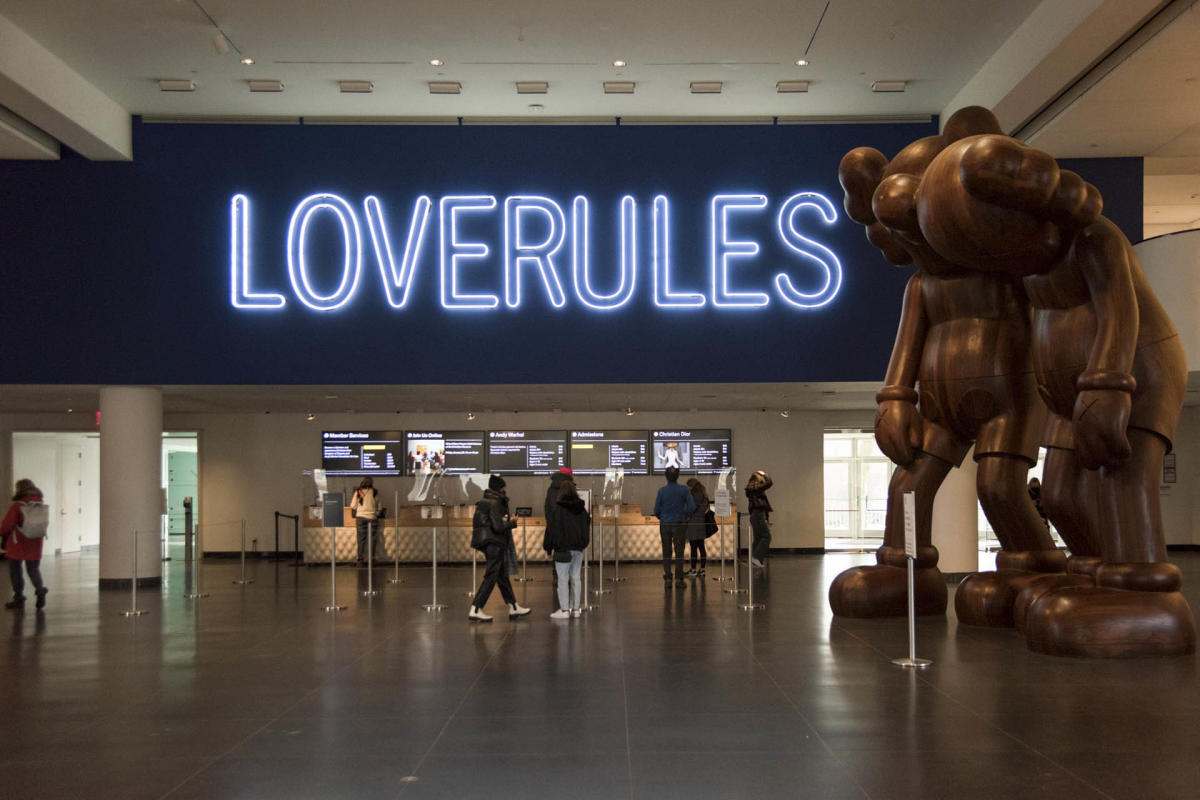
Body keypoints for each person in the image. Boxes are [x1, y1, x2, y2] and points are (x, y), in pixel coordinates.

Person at [469, 475, 531, 621]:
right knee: (491, 576)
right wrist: (511, 523)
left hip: (488, 542)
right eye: (504, 488)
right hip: (494, 542)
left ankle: (513, 607)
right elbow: (498, 526)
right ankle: (476, 608)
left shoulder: (485, 501)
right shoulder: (495, 502)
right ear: (500, 488)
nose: (505, 490)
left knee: (502, 576)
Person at [543, 478, 590, 619]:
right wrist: (583, 544)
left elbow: (551, 530)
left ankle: (564, 610)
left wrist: (548, 548)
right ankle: (575, 609)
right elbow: (586, 528)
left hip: (563, 550)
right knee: (576, 578)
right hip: (578, 549)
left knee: (562, 579)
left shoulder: (558, 510)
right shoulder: (582, 510)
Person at [1, 479, 48, 610]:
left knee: (15, 571)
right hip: (35, 542)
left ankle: (19, 598)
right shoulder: (40, 504)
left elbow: (6, 526)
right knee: (33, 569)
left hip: (18, 542)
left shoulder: (18, 506)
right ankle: (40, 590)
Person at [653, 467, 695, 587]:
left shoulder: (661, 491)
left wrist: (664, 517)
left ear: (666, 477)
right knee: (679, 551)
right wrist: (685, 516)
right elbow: (691, 507)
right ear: (678, 476)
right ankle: (678, 579)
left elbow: (656, 510)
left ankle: (667, 579)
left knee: (666, 551)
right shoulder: (684, 490)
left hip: (665, 524)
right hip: (679, 523)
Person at [349, 477, 383, 566]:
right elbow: (380, 507)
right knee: (372, 539)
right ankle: (371, 559)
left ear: (362, 483)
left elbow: (353, 506)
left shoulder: (358, 492)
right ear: (372, 483)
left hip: (360, 518)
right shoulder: (375, 492)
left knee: (361, 539)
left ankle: (360, 560)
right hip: (372, 517)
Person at [745, 470, 773, 568]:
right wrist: (765, 474)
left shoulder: (751, 489)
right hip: (758, 514)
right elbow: (769, 483)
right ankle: (756, 558)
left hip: (754, 515)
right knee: (766, 537)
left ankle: (755, 560)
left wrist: (766, 517)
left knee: (758, 538)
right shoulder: (757, 489)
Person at [685, 478, 710, 577]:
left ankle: (693, 570)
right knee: (702, 547)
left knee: (693, 548)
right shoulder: (704, 495)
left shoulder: (693, 495)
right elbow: (706, 509)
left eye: (688, 486)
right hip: (701, 523)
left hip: (693, 524)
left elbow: (690, 509)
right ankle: (703, 570)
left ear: (692, 486)